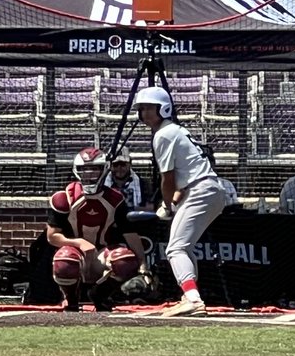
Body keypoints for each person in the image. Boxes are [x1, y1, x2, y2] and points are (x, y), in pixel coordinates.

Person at [135, 85, 228, 318]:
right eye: (142, 108)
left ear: (163, 109)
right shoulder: (175, 130)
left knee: (175, 248)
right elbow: (183, 181)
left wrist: (168, 206)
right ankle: (188, 296)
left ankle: (193, 299)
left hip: (201, 190)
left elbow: (167, 180)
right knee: (184, 247)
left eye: (150, 108)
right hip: (208, 189)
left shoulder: (164, 134)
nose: (145, 113)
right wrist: (174, 202)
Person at [45, 146, 151, 312]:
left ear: (105, 169)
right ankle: (71, 298)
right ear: (77, 171)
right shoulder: (64, 198)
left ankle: (100, 294)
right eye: (84, 170)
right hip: (75, 254)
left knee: (125, 260)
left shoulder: (115, 199)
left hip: (102, 253)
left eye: (95, 169)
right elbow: (52, 236)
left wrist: (143, 264)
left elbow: (130, 233)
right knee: (65, 261)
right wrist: (79, 243)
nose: (89, 174)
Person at [102, 147, 152, 211]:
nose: (119, 168)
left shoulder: (143, 183)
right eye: (115, 164)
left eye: (123, 164)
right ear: (110, 166)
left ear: (130, 164)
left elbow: (150, 208)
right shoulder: (102, 184)